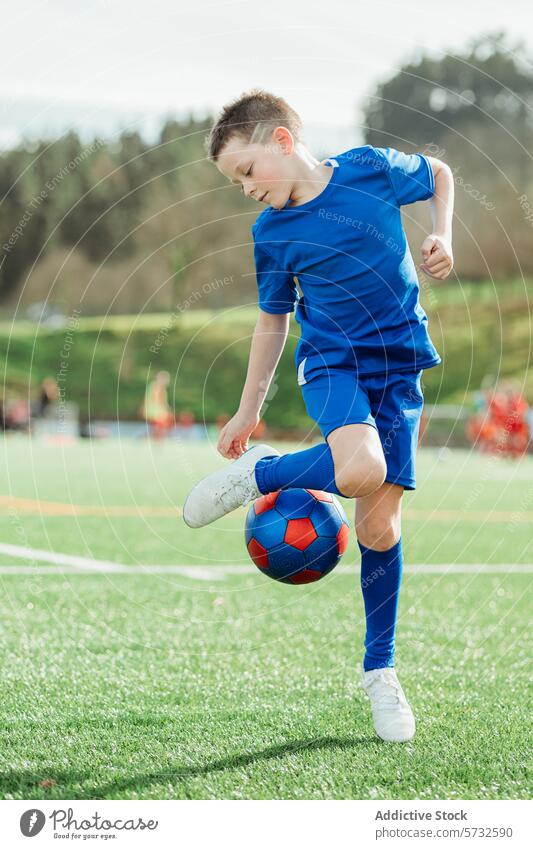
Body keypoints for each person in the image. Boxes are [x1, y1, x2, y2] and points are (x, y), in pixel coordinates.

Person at [183, 90, 454, 743]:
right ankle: (262, 473)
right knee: (360, 466)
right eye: (233, 182)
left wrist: (442, 231)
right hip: (334, 364)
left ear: (281, 140)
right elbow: (272, 322)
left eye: (246, 171)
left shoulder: (367, 169)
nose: (244, 189)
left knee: (379, 525)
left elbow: (440, 174)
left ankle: (379, 673)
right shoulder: (270, 233)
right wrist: (248, 409)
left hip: (400, 367)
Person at [142, 371, 174, 440]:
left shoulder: (152, 385)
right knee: (163, 423)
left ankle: (152, 437)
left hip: (153, 410)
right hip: (155, 410)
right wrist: (166, 409)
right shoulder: (157, 386)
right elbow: (157, 400)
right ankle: (157, 438)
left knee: (157, 427)